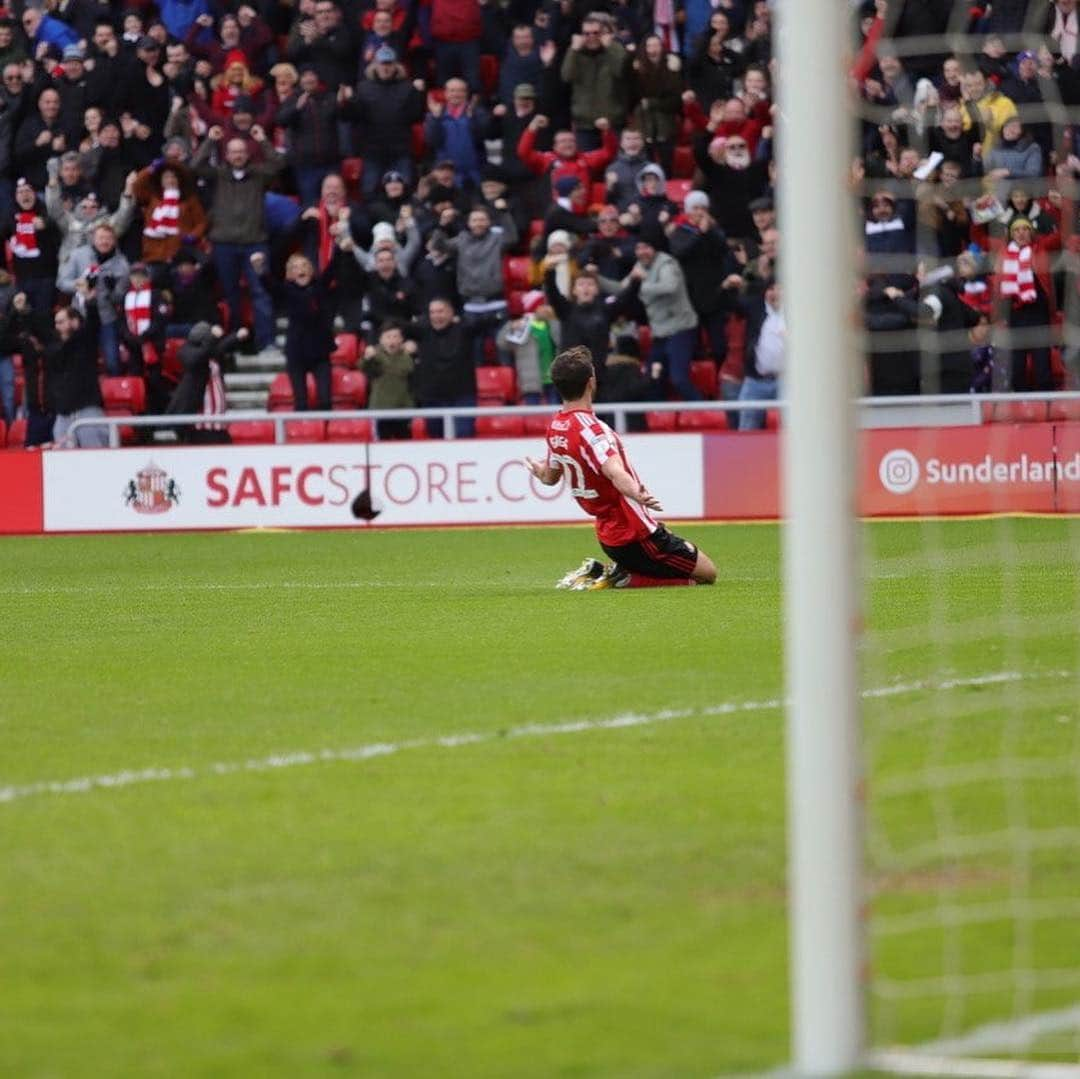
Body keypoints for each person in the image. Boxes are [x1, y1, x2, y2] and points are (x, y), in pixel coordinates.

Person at [525, 345, 717, 590]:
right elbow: (615, 471)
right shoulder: (592, 430)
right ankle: (619, 577)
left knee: (680, 570)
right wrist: (636, 492)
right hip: (635, 532)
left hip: (609, 535)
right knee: (708, 574)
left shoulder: (556, 425)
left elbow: (550, 478)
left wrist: (538, 470)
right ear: (591, 382)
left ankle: (612, 571)